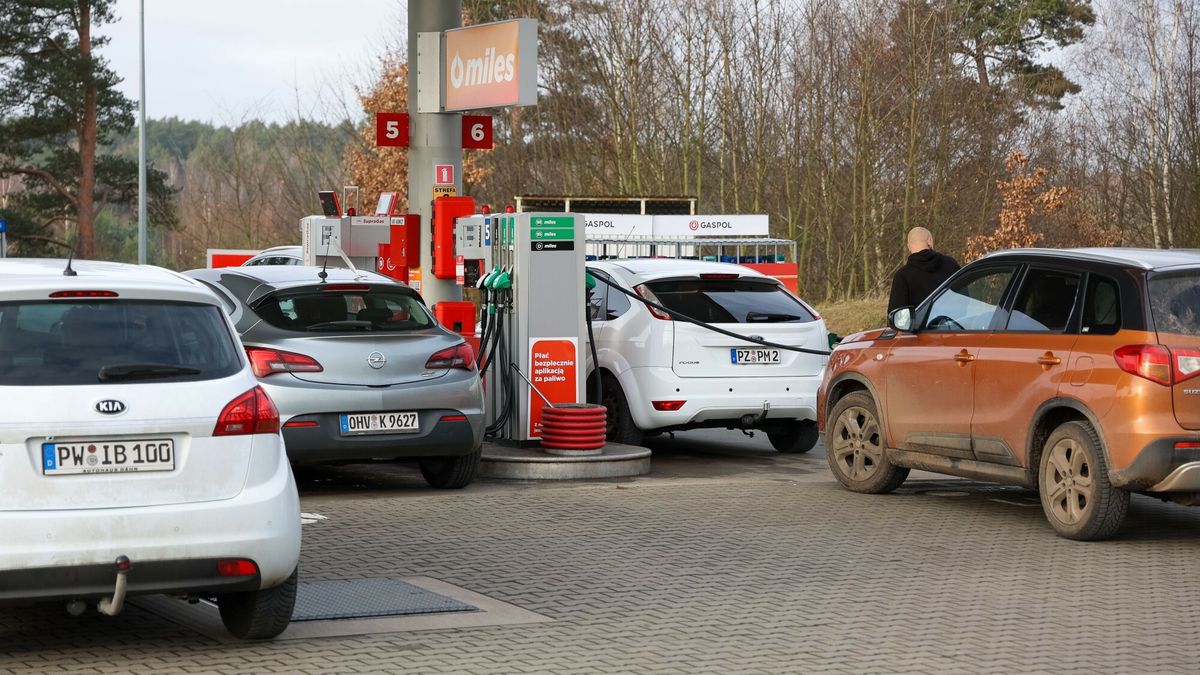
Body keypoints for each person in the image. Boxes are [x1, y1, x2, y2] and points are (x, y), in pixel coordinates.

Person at [888, 227, 959, 314]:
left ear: (908, 246)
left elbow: (896, 316)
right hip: (953, 324)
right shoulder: (951, 264)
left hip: (920, 327)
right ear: (929, 241)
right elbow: (964, 299)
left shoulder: (902, 276)